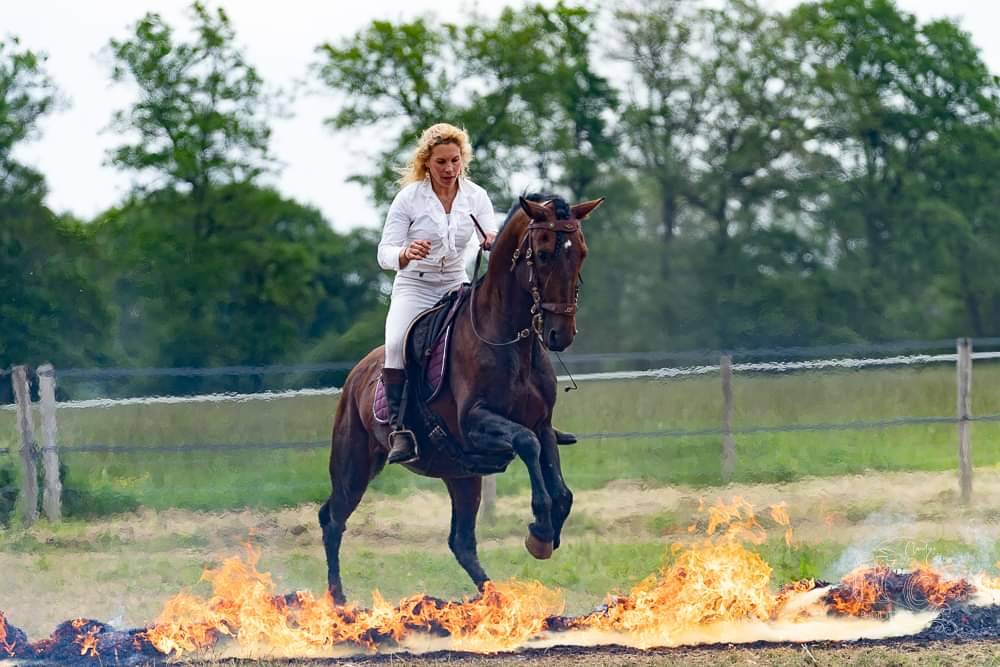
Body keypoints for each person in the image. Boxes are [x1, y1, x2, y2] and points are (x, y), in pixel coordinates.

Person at [377, 123, 497, 464]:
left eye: (455, 161)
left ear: (463, 160)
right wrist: (405, 253)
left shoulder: (477, 196)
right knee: (397, 344)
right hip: (415, 286)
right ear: (427, 163)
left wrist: (492, 243)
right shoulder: (409, 198)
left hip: (454, 285)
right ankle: (400, 430)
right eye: (441, 162)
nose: (449, 169)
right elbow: (384, 251)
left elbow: (493, 241)